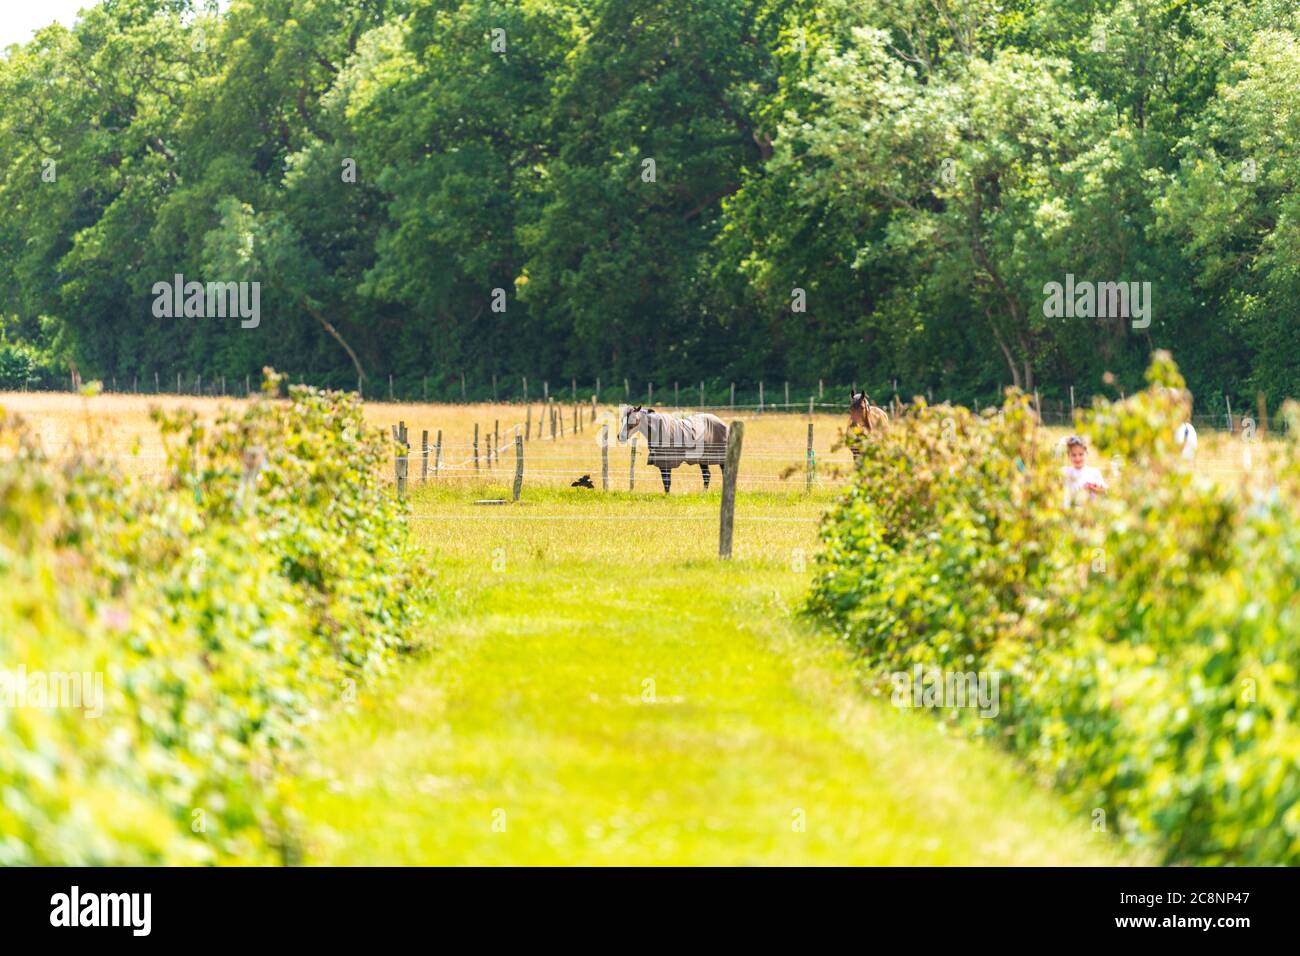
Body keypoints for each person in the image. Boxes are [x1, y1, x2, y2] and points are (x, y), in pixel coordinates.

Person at [1062, 435, 1107, 506]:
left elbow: (1104, 492)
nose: (1077, 458)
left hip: (1088, 514)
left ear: (1086, 453)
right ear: (1068, 455)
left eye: (1081, 454)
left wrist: (1095, 489)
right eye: (1073, 455)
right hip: (1069, 513)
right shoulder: (1065, 472)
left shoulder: (1094, 472)